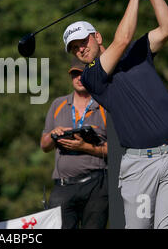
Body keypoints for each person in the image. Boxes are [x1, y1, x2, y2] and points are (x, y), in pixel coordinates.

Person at [63, 0, 168, 229]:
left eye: (84, 41)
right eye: (74, 47)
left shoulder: (137, 52)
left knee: (167, 226)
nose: (81, 48)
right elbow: (121, 40)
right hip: (139, 165)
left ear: (97, 37)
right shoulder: (91, 76)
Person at [40, 56, 108, 229]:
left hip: (96, 185)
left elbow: (116, 150)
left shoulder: (105, 106)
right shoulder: (58, 104)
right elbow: (44, 145)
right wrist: (53, 136)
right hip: (63, 186)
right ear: (71, 77)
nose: (79, 78)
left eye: (84, 74)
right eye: (75, 74)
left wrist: (86, 147)